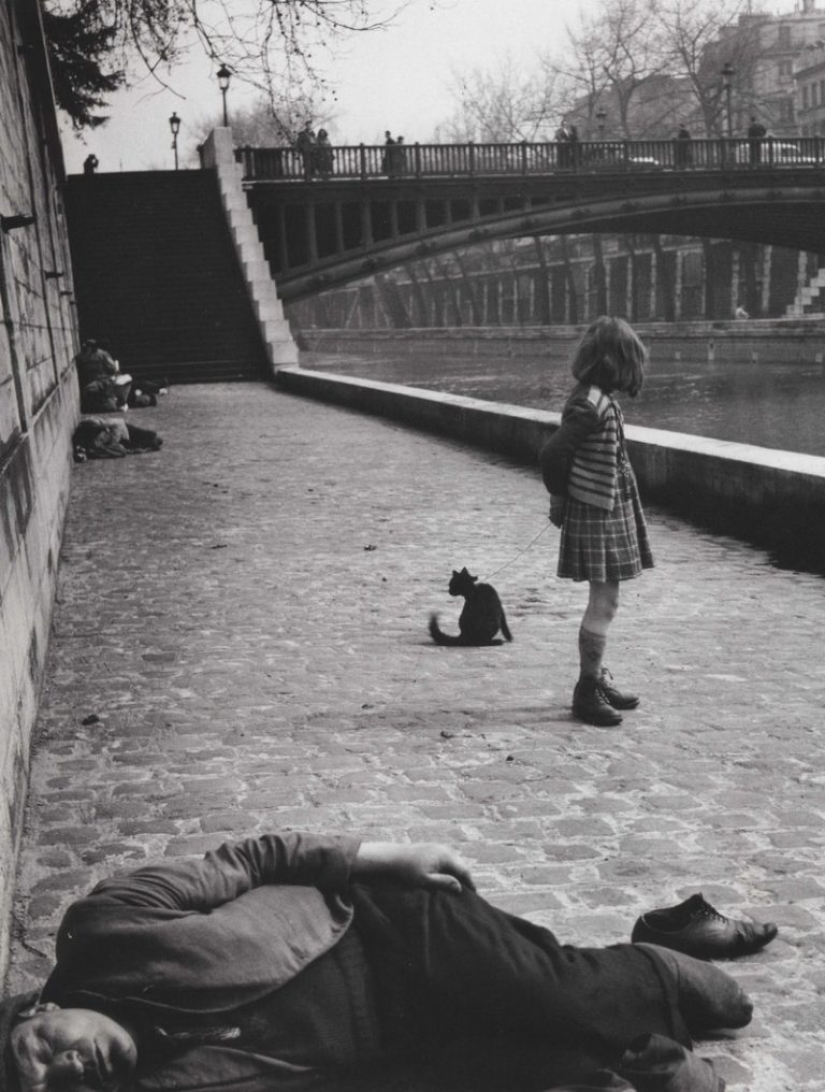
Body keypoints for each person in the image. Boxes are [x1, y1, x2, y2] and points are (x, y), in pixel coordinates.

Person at [1, 831, 752, 1092]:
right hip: (390, 1043)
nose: (76, 1072)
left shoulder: (105, 929)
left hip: (383, 930)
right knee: (533, 1066)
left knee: (553, 994)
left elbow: (255, 858)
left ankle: (652, 965)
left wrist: (386, 857)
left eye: (47, 1052)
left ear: (40, 1010)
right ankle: (649, 1052)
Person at [540, 317, 652, 728]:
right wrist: (559, 499)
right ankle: (586, 691)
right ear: (618, 362)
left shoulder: (596, 397)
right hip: (597, 513)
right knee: (604, 603)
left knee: (607, 601)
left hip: (605, 509)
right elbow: (552, 455)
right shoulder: (592, 403)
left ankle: (596, 675)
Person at [74, 339, 132, 413]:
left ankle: (111, 402)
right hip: (102, 382)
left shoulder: (81, 356)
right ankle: (117, 403)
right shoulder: (102, 354)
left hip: (91, 384)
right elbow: (113, 368)